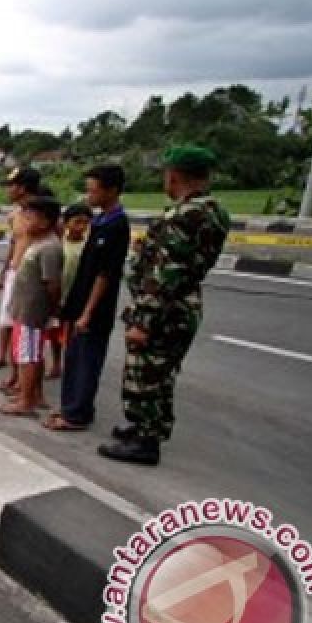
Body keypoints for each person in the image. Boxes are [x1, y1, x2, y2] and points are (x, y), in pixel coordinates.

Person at [98, 147, 230, 464]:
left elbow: (165, 274)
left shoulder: (184, 216)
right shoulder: (213, 211)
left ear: (175, 175)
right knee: (160, 373)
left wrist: (143, 321)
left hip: (164, 311)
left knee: (147, 374)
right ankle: (144, 427)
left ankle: (146, 441)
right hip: (182, 305)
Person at [45, 168, 131, 432]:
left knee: (86, 360)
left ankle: (76, 415)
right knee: (74, 357)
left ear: (112, 190)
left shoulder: (117, 225)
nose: (89, 195)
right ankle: (74, 407)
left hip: (95, 308)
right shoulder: (101, 220)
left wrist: (87, 312)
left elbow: (106, 274)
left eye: (93, 190)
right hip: (80, 301)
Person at [0, 195, 63, 416]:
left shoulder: (49, 248)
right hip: (24, 310)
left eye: (29, 217)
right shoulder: (38, 243)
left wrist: (52, 310)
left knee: (29, 356)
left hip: (33, 312)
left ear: (45, 222)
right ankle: (30, 393)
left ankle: (26, 401)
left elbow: (52, 284)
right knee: (29, 354)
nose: (24, 221)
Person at [0, 167, 45, 393]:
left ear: (22, 188)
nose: (8, 189)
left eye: (11, 185)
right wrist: (4, 272)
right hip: (16, 274)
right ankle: (15, 377)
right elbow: (14, 245)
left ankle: (29, 389)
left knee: (28, 335)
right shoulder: (16, 214)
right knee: (12, 327)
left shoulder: (41, 215)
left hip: (33, 278)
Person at [43, 203, 92, 379]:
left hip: (77, 298)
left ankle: (72, 366)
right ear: (66, 223)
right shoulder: (58, 244)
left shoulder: (87, 247)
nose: (82, 227)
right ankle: (56, 364)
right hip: (59, 296)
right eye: (77, 222)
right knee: (55, 333)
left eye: (86, 223)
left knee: (72, 336)